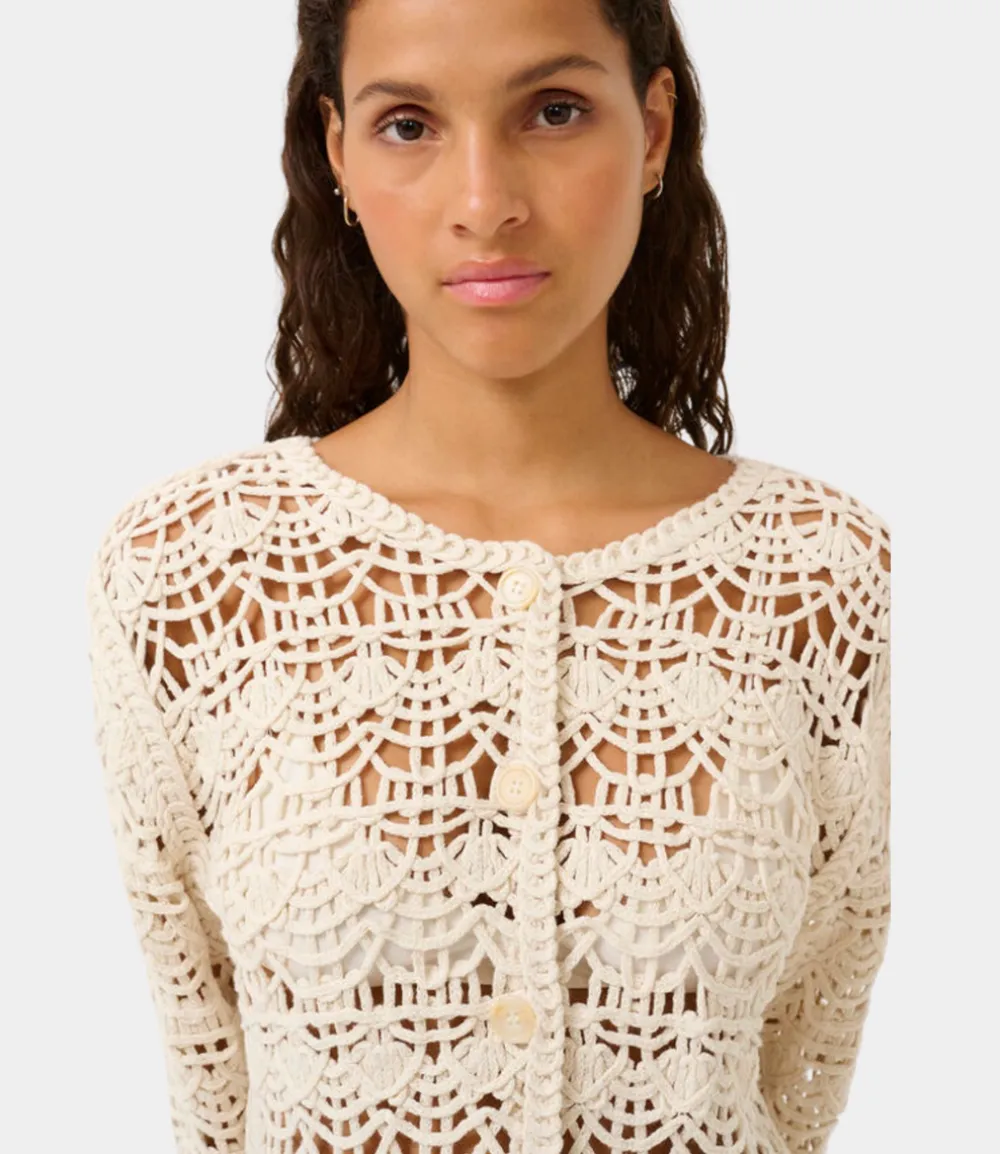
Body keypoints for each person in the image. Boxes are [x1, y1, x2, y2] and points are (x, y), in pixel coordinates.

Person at [85, 1, 891, 1152]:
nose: (484, 201)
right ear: (338, 154)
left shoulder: (827, 575)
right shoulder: (191, 571)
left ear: (654, 129)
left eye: (552, 111)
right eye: (408, 125)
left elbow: (803, 1057)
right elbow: (210, 1069)